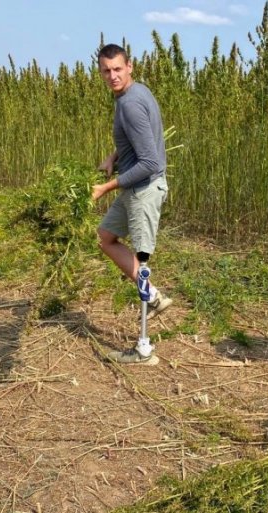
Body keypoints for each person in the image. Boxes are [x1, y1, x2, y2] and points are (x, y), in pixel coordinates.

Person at [91, 44, 172, 364]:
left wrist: (105, 188)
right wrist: (114, 157)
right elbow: (138, 140)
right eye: (106, 70)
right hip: (133, 187)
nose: (112, 75)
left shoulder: (131, 104)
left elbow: (150, 162)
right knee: (105, 237)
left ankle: (144, 350)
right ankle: (154, 297)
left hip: (143, 190)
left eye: (117, 69)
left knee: (141, 257)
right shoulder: (132, 94)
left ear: (130, 67)